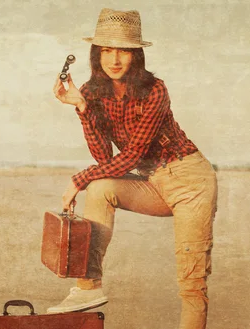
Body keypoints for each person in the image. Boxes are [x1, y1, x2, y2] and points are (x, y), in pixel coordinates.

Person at [49, 8, 218, 329]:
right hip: (152, 182)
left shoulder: (155, 90)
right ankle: (88, 288)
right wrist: (82, 108)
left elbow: (133, 154)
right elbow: (104, 160)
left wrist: (77, 180)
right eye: (107, 50)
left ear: (136, 55)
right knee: (101, 187)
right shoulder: (91, 92)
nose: (114, 60)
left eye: (124, 51)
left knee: (191, 283)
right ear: (96, 54)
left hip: (191, 182)